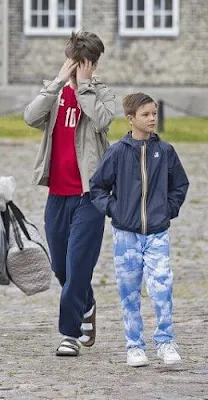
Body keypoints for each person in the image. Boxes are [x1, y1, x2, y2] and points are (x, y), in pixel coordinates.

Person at [22, 31, 115, 356]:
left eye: (88, 63)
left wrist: (86, 87)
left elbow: (103, 121)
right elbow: (31, 117)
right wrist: (58, 82)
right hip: (57, 195)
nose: (82, 68)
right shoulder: (56, 91)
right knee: (61, 268)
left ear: (94, 64)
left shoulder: (101, 92)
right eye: (78, 62)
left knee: (78, 267)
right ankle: (86, 304)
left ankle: (69, 335)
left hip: (90, 197)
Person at [90, 93, 189, 367]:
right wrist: (114, 210)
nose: (152, 118)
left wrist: (167, 210)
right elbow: (97, 187)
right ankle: (134, 345)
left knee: (161, 287)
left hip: (157, 233)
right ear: (131, 118)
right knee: (129, 291)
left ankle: (165, 341)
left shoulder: (166, 151)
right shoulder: (117, 152)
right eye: (146, 114)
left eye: (154, 113)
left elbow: (180, 185)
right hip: (126, 235)